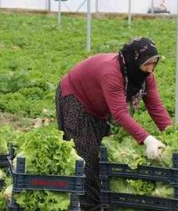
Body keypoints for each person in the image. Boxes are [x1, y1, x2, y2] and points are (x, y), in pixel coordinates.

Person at [55, 37, 172, 210]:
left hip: (99, 107)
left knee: (102, 153)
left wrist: (171, 133)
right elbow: (119, 113)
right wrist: (147, 139)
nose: (150, 69)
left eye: (154, 63)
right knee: (87, 155)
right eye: (147, 64)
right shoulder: (112, 73)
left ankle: (99, 201)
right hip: (75, 97)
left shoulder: (145, 77)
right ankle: (89, 207)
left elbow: (156, 107)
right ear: (134, 60)